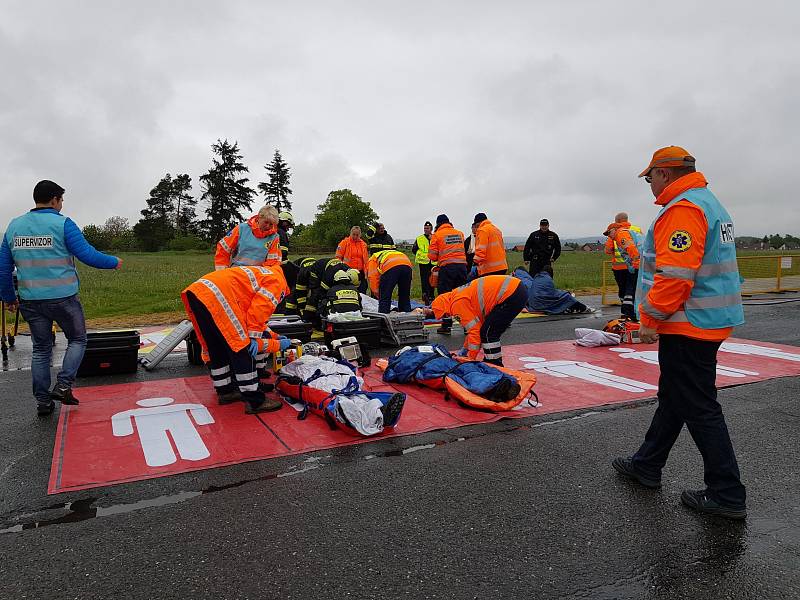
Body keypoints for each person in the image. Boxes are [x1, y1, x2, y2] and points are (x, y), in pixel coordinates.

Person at [612, 145, 747, 520]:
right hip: (705, 320)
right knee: (675, 395)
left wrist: (649, 322)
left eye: (649, 177)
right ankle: (647, 463)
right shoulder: (710, 203)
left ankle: (727, 492)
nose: (649, 185)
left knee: (698, 405)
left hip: (688, 324)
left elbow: (674, 277)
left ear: (665, 174)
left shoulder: (683, 210)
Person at [0, 180, 122, 416]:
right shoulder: (63, 224)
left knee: (41, 349)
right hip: (64, 299)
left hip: (31, 301)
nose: (62, 205)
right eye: (61, 200)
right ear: (54, 199)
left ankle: (43, 403)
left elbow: (3, 270)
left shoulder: (13, 227)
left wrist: (8, 297)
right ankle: (64, 384)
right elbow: (87, 255)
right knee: (78, 340)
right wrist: (113, 262)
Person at [182, 265, 291, 414]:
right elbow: (260, 309)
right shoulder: (278, 282)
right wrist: (253, 337)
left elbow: (250, 314)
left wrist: (274, 336)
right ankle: (255, 401)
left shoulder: (266, 273)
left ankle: (226, 391)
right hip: (218, 297)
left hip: (198, 293)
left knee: (216, 347)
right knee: (240, 347)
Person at [425, 275, 527, 366]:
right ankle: (493, 362)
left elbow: (475, 332)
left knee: (488, 333)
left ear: (444, 308)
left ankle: (494, 365)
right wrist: (465, 349)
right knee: (488, 330)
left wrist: (470, 358)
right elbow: (473, 329)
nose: (448, 316)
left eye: (445, 314)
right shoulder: (455, 296)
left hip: (511, 294)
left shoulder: (456, 306)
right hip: (514, 290)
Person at [428, 214, 467, 334]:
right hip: (462, 268)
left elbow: (432, 256)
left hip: (447, 269)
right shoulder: (460, 233)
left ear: (438, 224)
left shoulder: (437, 235)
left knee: (445, 296)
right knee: (461, 297)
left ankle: (446, 325)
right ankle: (467, 325)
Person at [215, 205, 282, 270]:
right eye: (266, 222)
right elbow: (224, 249)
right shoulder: (241, 229)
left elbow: (273, 262)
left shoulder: (274, 237)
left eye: (271, 224)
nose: (268, 226)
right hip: (236, 271)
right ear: (259, 218)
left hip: (258, 275)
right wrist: (222, 271)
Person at [604, 213, 641, 320]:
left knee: (626, 291)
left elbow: (608, 250)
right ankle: (632, 310)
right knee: (634, 289)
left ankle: (627, 312)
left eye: (609, 233)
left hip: (623, 267)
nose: (609, 235)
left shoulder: (619, 233)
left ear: (617, 222)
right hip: (637, 265)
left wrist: (635, 262)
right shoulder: (636, 229)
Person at [513, 265, 592, 314]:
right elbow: (552, 293)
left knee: (563, 295)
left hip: (532, 304)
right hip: (540, 304)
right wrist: (564, 293)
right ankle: (583, 308)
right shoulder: (547, 279)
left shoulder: (536, 277)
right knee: (567, 297)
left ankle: (575, 307)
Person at [296, 257, 349, 327]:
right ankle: (308, 318)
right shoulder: (328, 276)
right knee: (316, 294)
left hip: (324, 269)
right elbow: (320, 292)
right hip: (317, 271)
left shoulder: (347, 270)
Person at [335, 226, 370, 293]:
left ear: (360, 235)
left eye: (357, 235)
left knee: (363, 288)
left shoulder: (363, 244)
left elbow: (365, 260)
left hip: (360, 272)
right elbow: (338, 257)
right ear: (350, 233)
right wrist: (340, 269)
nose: (355, 236)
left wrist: (366, 273)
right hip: (348, 271)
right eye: (353, 234)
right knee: (349, 290)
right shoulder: (344, 242)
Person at [472, 213, 508, 277]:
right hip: (502, 267)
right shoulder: (497, 230)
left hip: (490, 269)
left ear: (477, 223)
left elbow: (481, 250)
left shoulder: (482, 230)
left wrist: (475, 262)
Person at [412, 221, 435, 305]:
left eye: (427, 228)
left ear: (431, 229)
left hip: (433, 262)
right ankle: (425, 295)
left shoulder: (435, 237)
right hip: (423, 263)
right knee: (424, 280)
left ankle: (431, 296)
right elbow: (414, 250)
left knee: (432, 280)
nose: (426, 230)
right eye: (425, 228)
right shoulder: (419, 238)